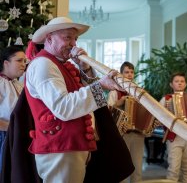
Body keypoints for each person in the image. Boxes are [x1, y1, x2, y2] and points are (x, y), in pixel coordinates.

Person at [23, 16, 133, 183]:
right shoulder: (43, 65)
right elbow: (63, 107)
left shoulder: (60, 65)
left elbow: (82, 96)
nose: (74, 44)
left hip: (71, 147)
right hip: (60, 148)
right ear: (49, 38)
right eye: (67, 37)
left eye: (75, 39)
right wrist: (101, 86)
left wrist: (86, 68)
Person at [107, 61, 145, 183]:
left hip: (138, 133)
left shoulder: (140, 92)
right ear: (121, 74)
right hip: (121, 134)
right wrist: (120, 102)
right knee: (122, 166)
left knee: (137, 166)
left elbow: (146, 112)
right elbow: (108, 112)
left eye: (131, 72)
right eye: (126, 72)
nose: (129, 74)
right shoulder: (114, 92)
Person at [160, 72, 187, 183]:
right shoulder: (166, 99)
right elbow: (159, 117)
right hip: (174, 137)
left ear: (185, 84)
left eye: (182, 81)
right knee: (173, 169)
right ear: (171, 84)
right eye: (176, 81)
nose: (179, 84)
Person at [0, 46, 27, 172]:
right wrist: (10, 128)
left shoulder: (18, 84)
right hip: (4, 136)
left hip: (18, 135)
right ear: (6, 63)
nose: (23, 65)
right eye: (19, 60)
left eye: (24, 61)